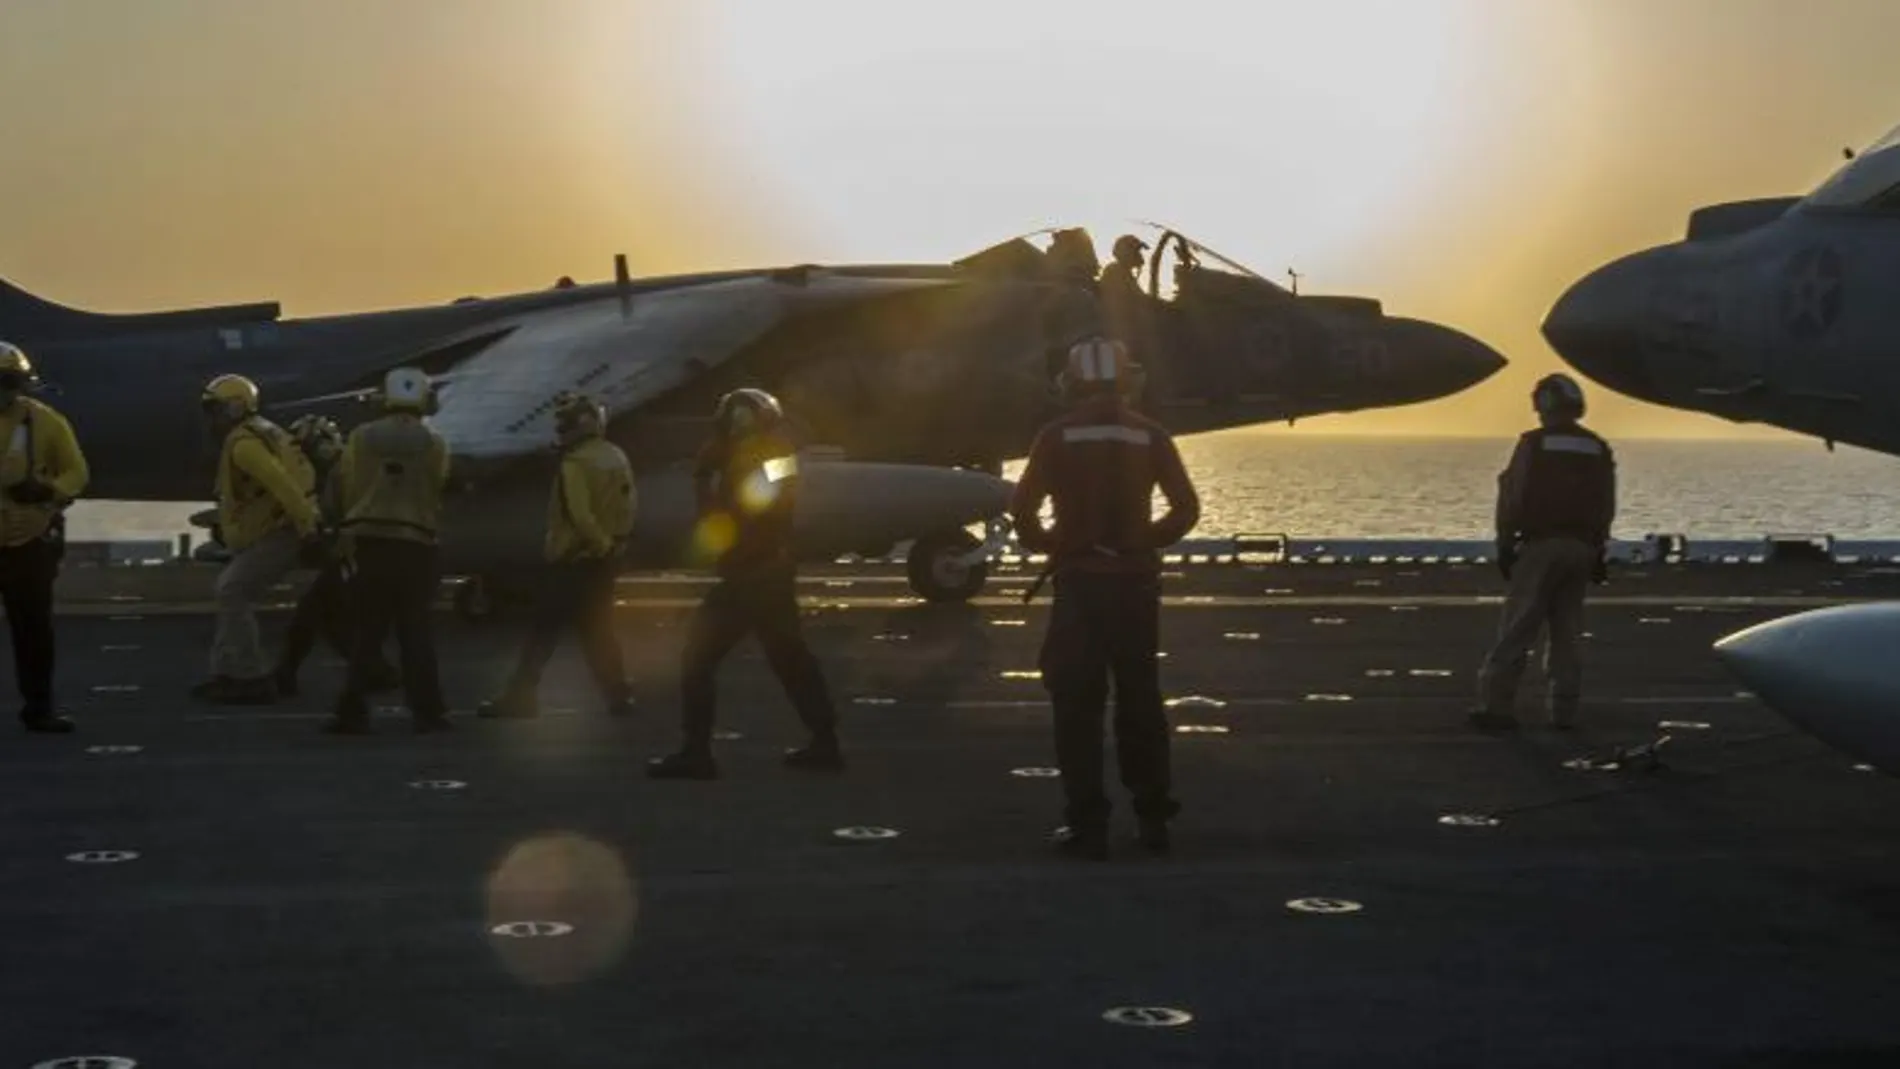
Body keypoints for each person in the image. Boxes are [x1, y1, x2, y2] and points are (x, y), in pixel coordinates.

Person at [1009, 336, 1201, 860]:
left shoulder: (1057, 436)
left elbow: (1023, 513)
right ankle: (1153, 819)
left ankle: (1088, 825)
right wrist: (1142, 541)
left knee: (1077, 706)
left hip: (1080, 586)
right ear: (1127, 379)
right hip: (1136, 587)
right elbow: (1185, 510)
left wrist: (1057, 546)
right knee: (1140, 701)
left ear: (1072, 381)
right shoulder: (1150, 435)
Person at [647, 388, 841, 780]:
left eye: (741, 416)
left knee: (697, 658)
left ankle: (696, 753)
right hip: (773, 571)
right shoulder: (778, 452)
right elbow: (772, 504)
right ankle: (826, 742)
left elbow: (740, 511)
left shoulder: (745, 457)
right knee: (791, 659)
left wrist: (708, 476)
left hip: (749, 574)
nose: (737, 423)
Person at [1471, 373, 1617, 733]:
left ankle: (1497, 707)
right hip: (1581, 548)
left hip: (1541, 546)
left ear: (1546, 403)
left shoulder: (1534, 444)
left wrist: (1504, 544)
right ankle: (1563, 712)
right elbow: (1606, 504)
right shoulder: (1598, 447)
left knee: (1519, 626)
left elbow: (1514, 496)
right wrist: (1598, 549)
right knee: (1567, 632)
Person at [478, 391, 635, 720]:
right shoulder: (616, 456)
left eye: (563, 424)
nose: (559, 430)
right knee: (599, 630)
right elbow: (628, 505)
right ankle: (618, 694)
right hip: (606, 560)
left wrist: (596, 544)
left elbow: (578, 513)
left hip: (573, 561)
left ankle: (520, 697)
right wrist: (613, 546)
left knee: (544, 631)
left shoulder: (575, 464)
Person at [327, 368, 453, 735]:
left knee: (368, 635)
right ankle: (429, 714)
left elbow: (344, 484)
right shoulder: (434, 442)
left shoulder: (361, 437)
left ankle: (351, 713)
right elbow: (438, 483)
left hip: (368, 544)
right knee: (417, 634)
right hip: (417, 546)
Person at [196, 374, 322, 704]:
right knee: (230, 592)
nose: (211, 419)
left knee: (232, 591)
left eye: (216, 410)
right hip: (274, 530)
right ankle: (226, 674)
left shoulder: (244, 445)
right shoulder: (265, 431)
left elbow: (283, 486)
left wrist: (307, 527)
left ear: (235, 408)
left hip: (280, 533)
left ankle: (250, 678)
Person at [272, 415, 397, 696]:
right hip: (358, 555)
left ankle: (287, 674)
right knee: (329, 619)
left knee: (313, 614)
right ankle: (375, 671)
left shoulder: (345, 472)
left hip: (356, 556)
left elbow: (351, 519)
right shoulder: (343, 469)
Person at [0, 342, 87, 733]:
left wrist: (46, 491)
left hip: (28, 541)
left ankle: (39, 707)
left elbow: (77, 472)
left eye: (8, 382)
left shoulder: (45, 422)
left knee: (33, 628)